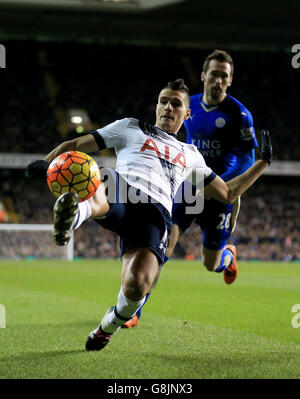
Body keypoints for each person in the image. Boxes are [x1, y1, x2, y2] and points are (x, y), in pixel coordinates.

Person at [27, 78, 272, 351]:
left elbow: (226, 193)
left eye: (176, 103)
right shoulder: (131, 127)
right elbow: (76, 144)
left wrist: (261, 163)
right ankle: (72, 217)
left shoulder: (191, 155)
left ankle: (107, 326)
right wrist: (46, 164)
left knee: (137, 287)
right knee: (99, 178)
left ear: (187, 113)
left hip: (154, 216)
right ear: (156, 106)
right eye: (163, 101)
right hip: (123, 191)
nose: (168, 107)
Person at [123, 50, 260, 329]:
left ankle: (228, 256)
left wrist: (219, 184)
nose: (218, 80)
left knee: (210, 263)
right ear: (203, 76)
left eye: (224, 75)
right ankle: (135, 310)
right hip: (187, 188)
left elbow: (247, 158)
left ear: (230, 80)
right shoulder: (189, 105)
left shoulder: (240, 114)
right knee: (164, 244)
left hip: (219, 194)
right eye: (214, 74)